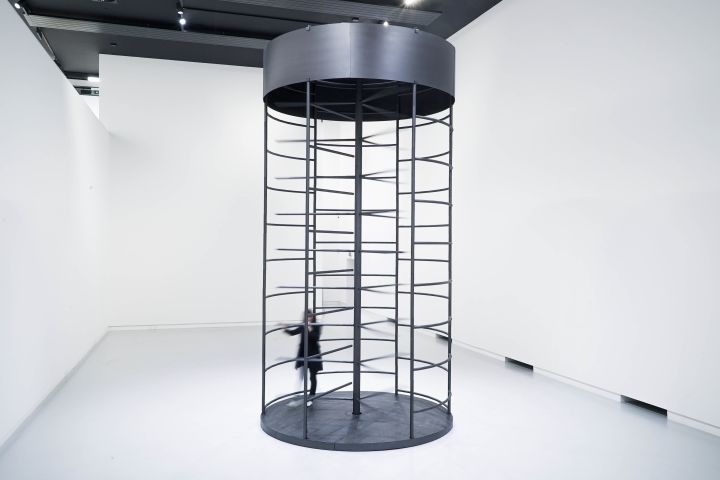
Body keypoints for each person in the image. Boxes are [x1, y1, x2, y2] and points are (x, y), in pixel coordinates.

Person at [284, 310, 322, 407]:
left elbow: (316, 338)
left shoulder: (317, 325)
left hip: (313, 355)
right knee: (301, 376)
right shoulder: (303, 325)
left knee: (312, 377)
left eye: (310, 316)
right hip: (303, 355)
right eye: (307, 317)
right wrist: (285, 329)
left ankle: (311, 397)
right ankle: (296, 396)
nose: (309, 318)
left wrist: (310, 328)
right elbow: (293, 333)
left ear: (313, 317)